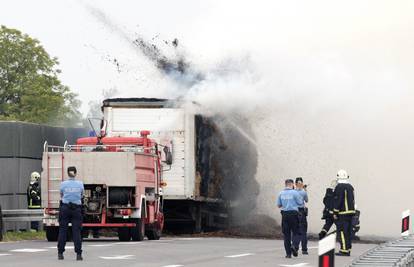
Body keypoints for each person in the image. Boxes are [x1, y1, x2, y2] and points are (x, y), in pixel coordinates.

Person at [58, 166, 84, 261]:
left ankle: (60, 253)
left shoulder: (63, 184)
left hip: (65, 208)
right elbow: (81, 195)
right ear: (75, 173)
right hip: (76, 209)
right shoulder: (80, 184)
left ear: (67, 173)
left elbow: (61, 195)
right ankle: (78, 254)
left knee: (63, 230)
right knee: (76, 231)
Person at [333, 169, 356, 257]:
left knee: (341, 231)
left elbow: (338, 200)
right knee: (349, 231)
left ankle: (344, 250)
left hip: (343, 213)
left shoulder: (339, 187)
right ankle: (348, 248)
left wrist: (335, 212)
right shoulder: (350, 186)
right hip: (351, 212)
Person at [277, 179, 302, 258]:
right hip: (294, 214)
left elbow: (278, 205)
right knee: (296, 232)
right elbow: (300, 203)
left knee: (286, 235)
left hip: (284, 215)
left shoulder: (280, 193)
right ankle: (294, 246)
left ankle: (288, 254)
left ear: (285, 184)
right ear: (292, 184)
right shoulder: (295, 193)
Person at [295, 177, 309, 255]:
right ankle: (304, 249)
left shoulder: (292, 191)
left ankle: (295, 247)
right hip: (302, 212)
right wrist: (305, 190)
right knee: (303, 231)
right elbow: (306, 200)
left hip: (294, 212)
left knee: (296, 231)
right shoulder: (304, 192)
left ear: (295, 183)